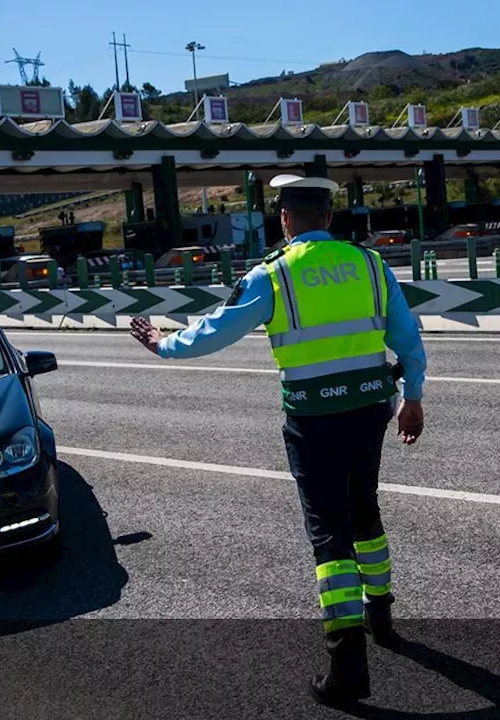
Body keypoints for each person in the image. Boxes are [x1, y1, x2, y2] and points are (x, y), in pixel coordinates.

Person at [130, 173, 427, 707]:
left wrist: (163, 344)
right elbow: (406, 337)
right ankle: (381, 615)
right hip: (369, 411)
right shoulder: (370, 265)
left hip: (314, 421)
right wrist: (414, 396)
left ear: (285, 218)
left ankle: (346, 665)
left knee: (329, 535)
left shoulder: (275, 274)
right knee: (365, 510)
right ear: (330, 217)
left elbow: (219, 328)